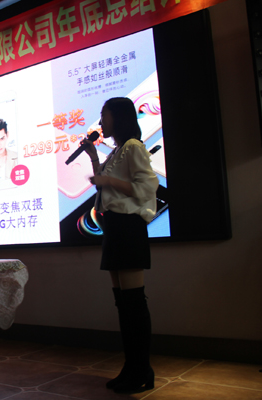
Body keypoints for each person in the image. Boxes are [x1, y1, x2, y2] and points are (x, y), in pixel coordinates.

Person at [82, 97, 158, 394]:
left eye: (105, 115)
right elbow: (103, 181)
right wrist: (93, 157)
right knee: (123, 304)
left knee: (134, 304)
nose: (101, 121)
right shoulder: (117, 150)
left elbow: (146, 187)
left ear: (119, 116)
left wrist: (108, 181)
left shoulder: (134, 147)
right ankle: (131, 367)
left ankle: (142, 370)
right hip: (114, 227)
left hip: (128, 227)